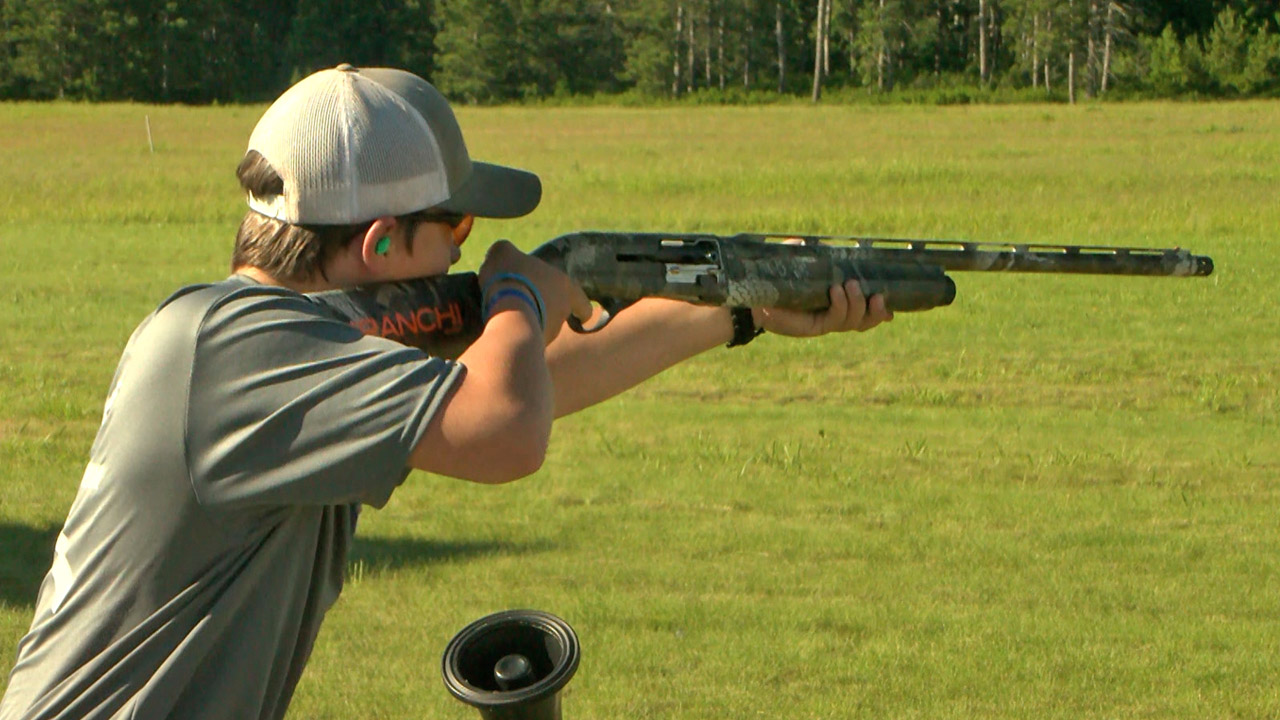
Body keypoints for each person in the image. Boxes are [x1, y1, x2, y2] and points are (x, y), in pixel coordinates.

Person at [0, 65, 891, 720]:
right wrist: (517, 296)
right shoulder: (232, 344)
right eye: (456, 228)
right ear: (383, 245)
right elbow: (504, 429)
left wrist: (738, 312)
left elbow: (527, 384)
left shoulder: (284, 347)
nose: (470, 250)